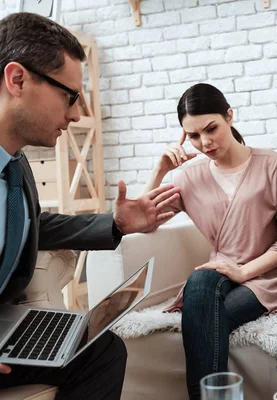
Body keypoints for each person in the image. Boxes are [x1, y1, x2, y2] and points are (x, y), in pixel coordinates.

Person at [0, 12, 181, 399]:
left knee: (101, 348)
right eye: (69, 96)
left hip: (5, 327)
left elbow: (31, 224)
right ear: (17, 80)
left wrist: (114, 224)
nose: (77, 114)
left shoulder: (15, 165)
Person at [143, 83, 277, 399]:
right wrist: (160, 169)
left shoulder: (272, 165)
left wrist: (245, 272)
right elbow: (142, 220)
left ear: (229, 116)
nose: (204, 142)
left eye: (211, 128)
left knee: (202, 318)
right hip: (220, 272)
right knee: (201, 279)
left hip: (269, 277)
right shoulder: (188, 177)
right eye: (193, 136)